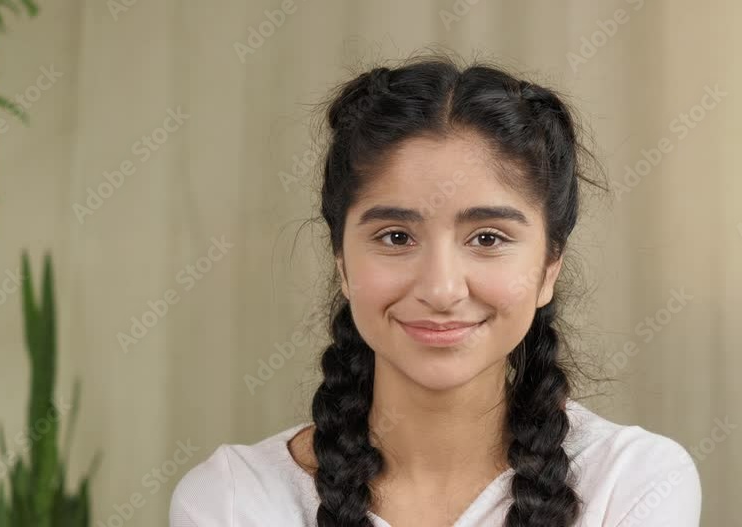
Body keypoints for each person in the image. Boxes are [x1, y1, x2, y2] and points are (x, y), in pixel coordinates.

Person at [169, 56, 701, 526]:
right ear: (342, 264)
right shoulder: (232, 499)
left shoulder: (633, 480)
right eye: (396, 237)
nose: (441, 288)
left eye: (487, 238)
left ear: (548, 269)